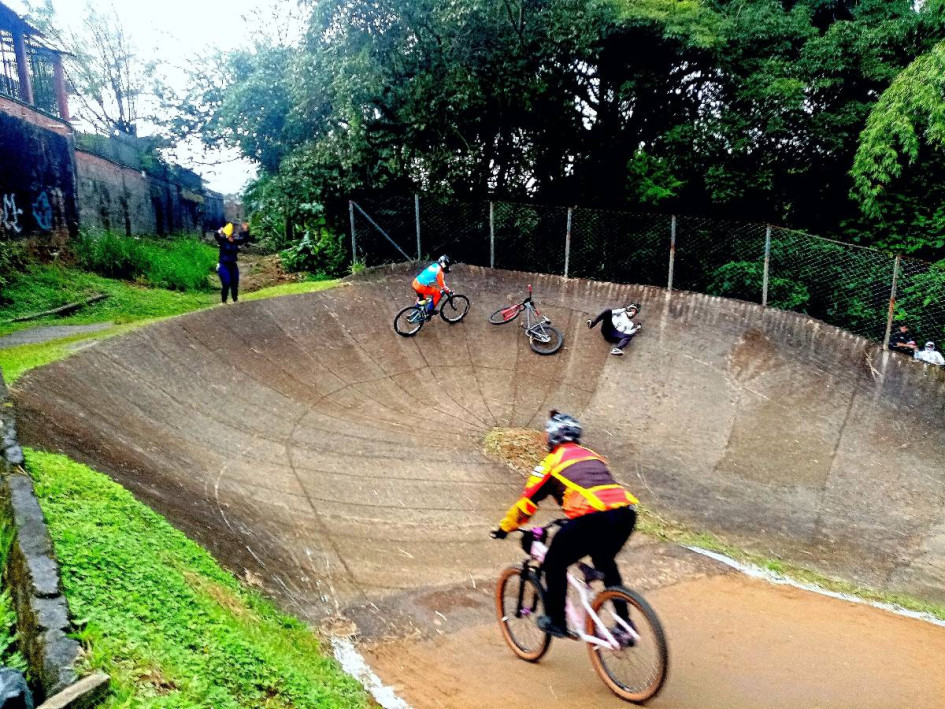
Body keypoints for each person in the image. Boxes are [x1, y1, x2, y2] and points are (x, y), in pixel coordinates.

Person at [490, 410, 639, 641]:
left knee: (554, 564)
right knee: (604, 559)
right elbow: (592, 489)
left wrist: (504, 528)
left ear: (550, 438)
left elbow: (526, 504)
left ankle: (557, 622)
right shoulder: (593, 456)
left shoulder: (551, 463)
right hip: (625, 514)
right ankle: (624, 623)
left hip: (592, 518)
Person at [214, 222, 249, 304]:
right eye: (231, 235)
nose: (233, 236)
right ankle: (224, 301)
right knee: (226, 283)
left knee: (235, 283)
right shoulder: (222, 241)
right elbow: (216, 236)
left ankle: (235, 300)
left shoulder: (235, 242)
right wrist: (220, 231)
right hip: (223, 265)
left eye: (233, 235)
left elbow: (245, 239)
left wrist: (245, 230)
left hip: (233, 265)